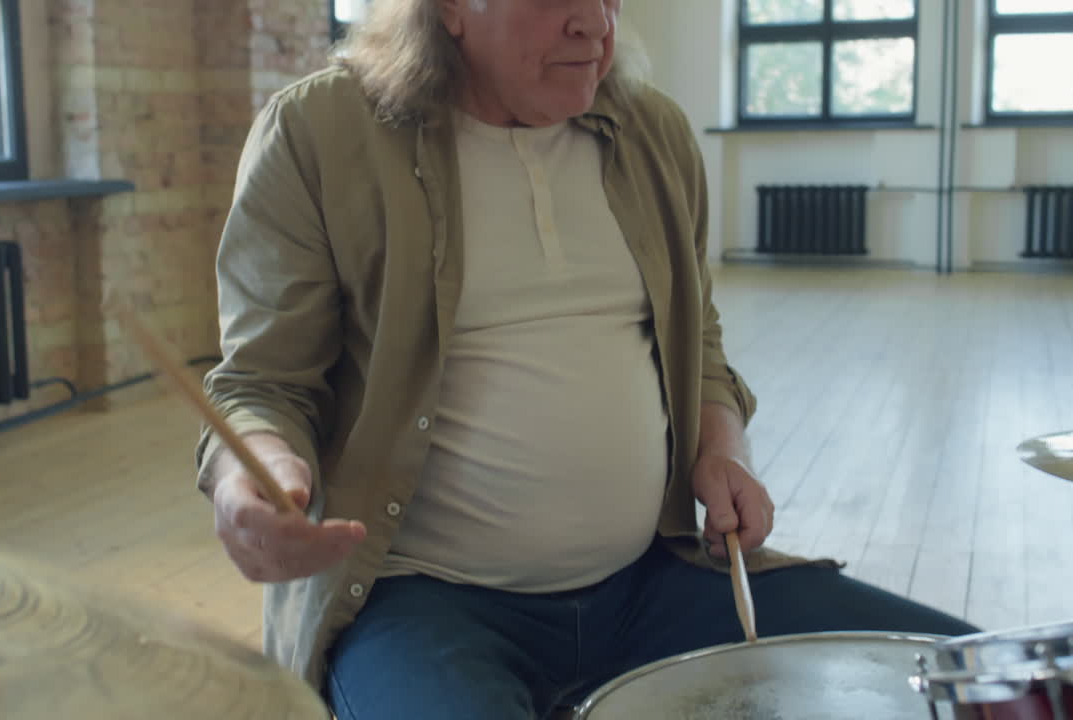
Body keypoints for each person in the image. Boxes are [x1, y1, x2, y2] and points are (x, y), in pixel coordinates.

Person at [195, 1, 978, 718]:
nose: (594, 24)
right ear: (452, 11)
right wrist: (252, 478)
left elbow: (696, 341)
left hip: (654, 581)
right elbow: (263, 383)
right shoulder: (319, 134)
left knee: (976, 681)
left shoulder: (654, 134)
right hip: (424, 602)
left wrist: (721, 449)